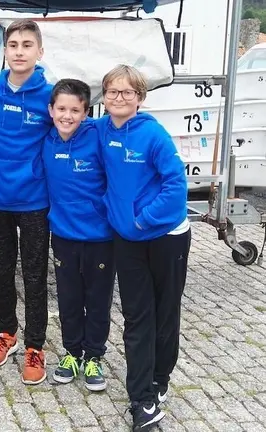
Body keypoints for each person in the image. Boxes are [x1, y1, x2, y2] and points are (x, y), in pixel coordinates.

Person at [95, 64, 191, 432]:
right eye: (112, 91)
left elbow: (176, 186)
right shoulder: (101, 130)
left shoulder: (154, 135)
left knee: (165, 313)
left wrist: (143, 218)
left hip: (166, 235)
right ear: (104, 97)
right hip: (128, 238)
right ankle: (142, 398)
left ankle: (160, 377)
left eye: (127, 92)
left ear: (140, 97)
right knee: (137, 316)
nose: (119, 98)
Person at [0, 19, 53, 385]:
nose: (19, 51)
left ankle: (35, 345)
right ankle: (6, 332)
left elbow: (72, 128)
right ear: (4, 50)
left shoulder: (50, 95)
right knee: (2, 269)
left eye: (27, 45)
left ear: (40, 51)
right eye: (13, 45)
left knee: (35, 274)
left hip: (35, 199)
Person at [42, 79, 115, 392]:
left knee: (97, 300)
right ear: (51, 110)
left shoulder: (98, 135)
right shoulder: (46, 139)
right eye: (61, 109)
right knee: (69, 298)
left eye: (75, 110)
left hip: (101, 238)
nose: (67, 116)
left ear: (86, 113)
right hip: (63, 236)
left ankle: (94, 356)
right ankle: (72, 353)